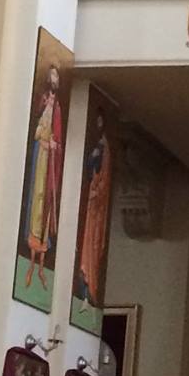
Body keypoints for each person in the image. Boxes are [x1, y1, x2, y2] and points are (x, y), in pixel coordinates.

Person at [19, 61, 64, 294]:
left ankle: (40, 268)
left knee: (45, 206)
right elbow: (37, 131)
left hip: (50, 162)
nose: (54, 80)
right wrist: (45, 142)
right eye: (52, 76)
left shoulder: (58, 108)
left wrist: (55, 146)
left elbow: (59, 139)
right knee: (36, 202)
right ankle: (30, 263)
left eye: (57, 77)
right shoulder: (44, 102)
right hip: (40, 159)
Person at [73, 105, 114, 319]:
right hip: (91, 205)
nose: (97, 124)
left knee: (92, 247)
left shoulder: (104, 148)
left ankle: (89, 291)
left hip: (96, 208)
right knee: (85, 247)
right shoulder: (98, 146)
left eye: (100, 121)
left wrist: (95, 190)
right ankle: (84, 289)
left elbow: (103, 177)